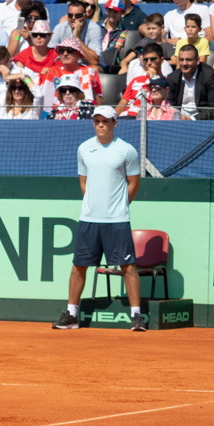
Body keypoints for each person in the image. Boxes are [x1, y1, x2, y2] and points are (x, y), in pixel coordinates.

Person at [52, 106, 144, 331]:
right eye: (97, 121)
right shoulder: (84, 148)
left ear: (115, 123)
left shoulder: (127, 150)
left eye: (105, 121)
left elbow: (133, 183)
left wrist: (120, 205)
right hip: (89, 219)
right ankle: (72, 315)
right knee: (79, 266)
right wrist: (93, 205)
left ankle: (136, 316)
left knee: (128, 266)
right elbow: (83, 182)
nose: (101, 125)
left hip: (117, 220)